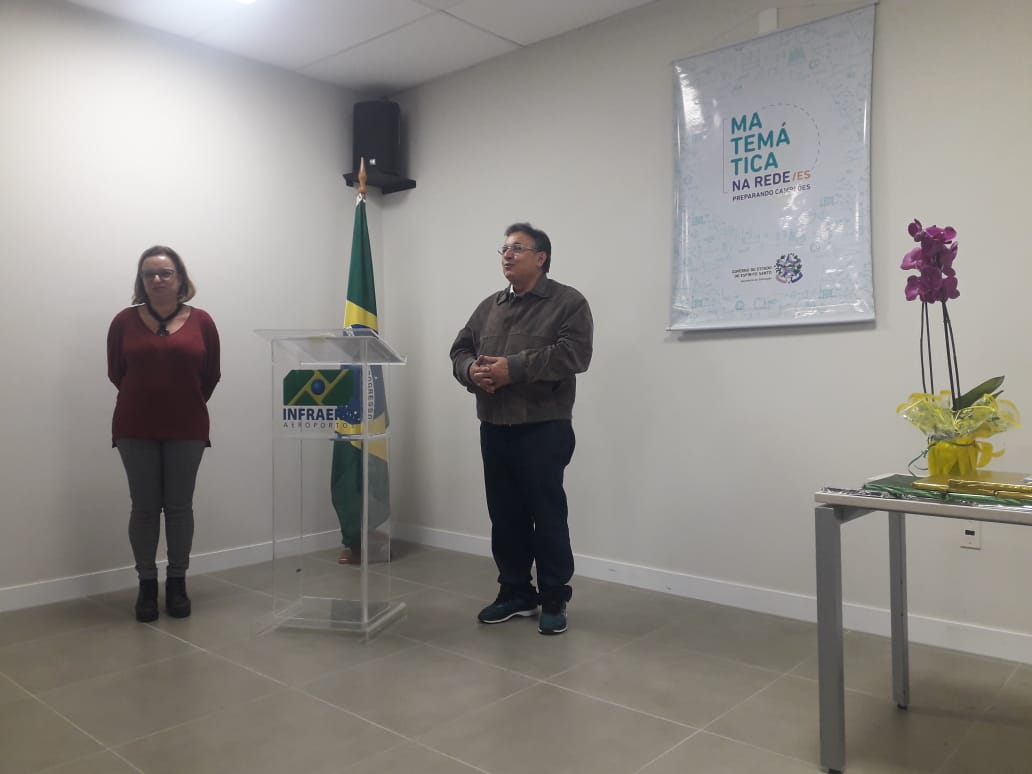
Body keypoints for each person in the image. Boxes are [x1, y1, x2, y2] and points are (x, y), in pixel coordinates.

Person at [449, 223, 593, 635]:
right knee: (505, 514)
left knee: (546, 514)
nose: (507, 255)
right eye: (504, 249)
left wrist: (512, 369)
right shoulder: (489, 307)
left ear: (541, 257)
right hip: (494, 426)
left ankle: (553, 597)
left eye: (517, 248)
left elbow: (575, 354)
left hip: (543, 427)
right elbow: (460, 349)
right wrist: (471, 372)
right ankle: (515, 591)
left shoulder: (568, 302)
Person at [107, 246, 220, 622]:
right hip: (134, 426)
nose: (157, 279)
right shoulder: (123, 321)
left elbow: (211, 374)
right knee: (143, 507)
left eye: (165, 272)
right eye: (149, 274)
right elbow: (116, 372)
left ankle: (176, 583)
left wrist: (181, 402)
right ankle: (146, 584)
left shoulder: (202, 321)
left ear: (180, 278)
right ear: (141, 281)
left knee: (179, 507)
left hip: (187, 426)